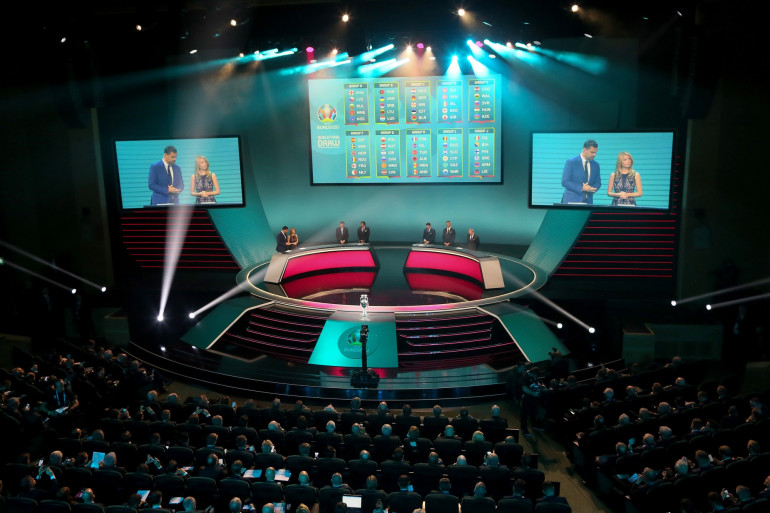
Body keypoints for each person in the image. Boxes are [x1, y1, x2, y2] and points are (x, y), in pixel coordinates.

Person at [561, 139, 601, 204]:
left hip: (588, 202)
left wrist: (591, 188)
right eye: (592, 152)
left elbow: (598, 183)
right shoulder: (572, 162)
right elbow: (565, 181)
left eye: (595, 152)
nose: (594, 155)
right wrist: (582, 188)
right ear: (584, 150)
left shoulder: (596, 165)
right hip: (572, 200)